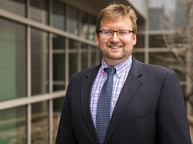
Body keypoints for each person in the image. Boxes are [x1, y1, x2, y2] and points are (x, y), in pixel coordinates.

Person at [55, 3, 192, 144]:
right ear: (97, 38)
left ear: (134, 38)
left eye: (122, 32)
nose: (114, 39)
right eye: (107, 32)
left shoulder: (162, 81)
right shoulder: (77, 81)